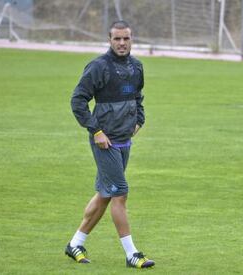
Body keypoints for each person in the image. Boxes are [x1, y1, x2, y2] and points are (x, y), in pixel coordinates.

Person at [65, 20, 155, 269]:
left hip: (125, 141)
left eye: (126, 38)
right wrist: (96, 131)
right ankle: (131, 254)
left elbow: (138, 97)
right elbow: (78, 100)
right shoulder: (98, 66)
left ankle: (75, 244)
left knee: (105, 194)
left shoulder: (137, 67)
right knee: (120, 193)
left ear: (132, 39)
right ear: (109, 40)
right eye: (117, 39)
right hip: (105, 143)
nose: (122, 43)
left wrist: (139, 120)